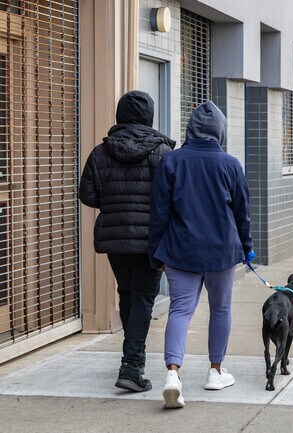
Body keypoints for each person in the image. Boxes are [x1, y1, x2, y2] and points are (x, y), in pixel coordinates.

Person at [149, 101, 254, 409]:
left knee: (180, 310)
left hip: (180, 250)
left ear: (190, 128)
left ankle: (172, 375)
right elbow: (242, 213)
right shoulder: (231, 164)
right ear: (220, 131)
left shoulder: (172, 161)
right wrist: (246, 247)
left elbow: (159, 213)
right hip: (221, 252)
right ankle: (215, 371)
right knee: (220, 309)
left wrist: (156, 255)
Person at [79, 90, 175, 392]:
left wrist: (115, 203)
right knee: (144, 299)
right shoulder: (163, 153)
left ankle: (130, 359)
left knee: (128, 295)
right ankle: (132, 367)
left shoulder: (100, 152)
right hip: (150, 240)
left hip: (116, 239)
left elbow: (88, 195)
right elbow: (173, 198)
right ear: (149, 116)